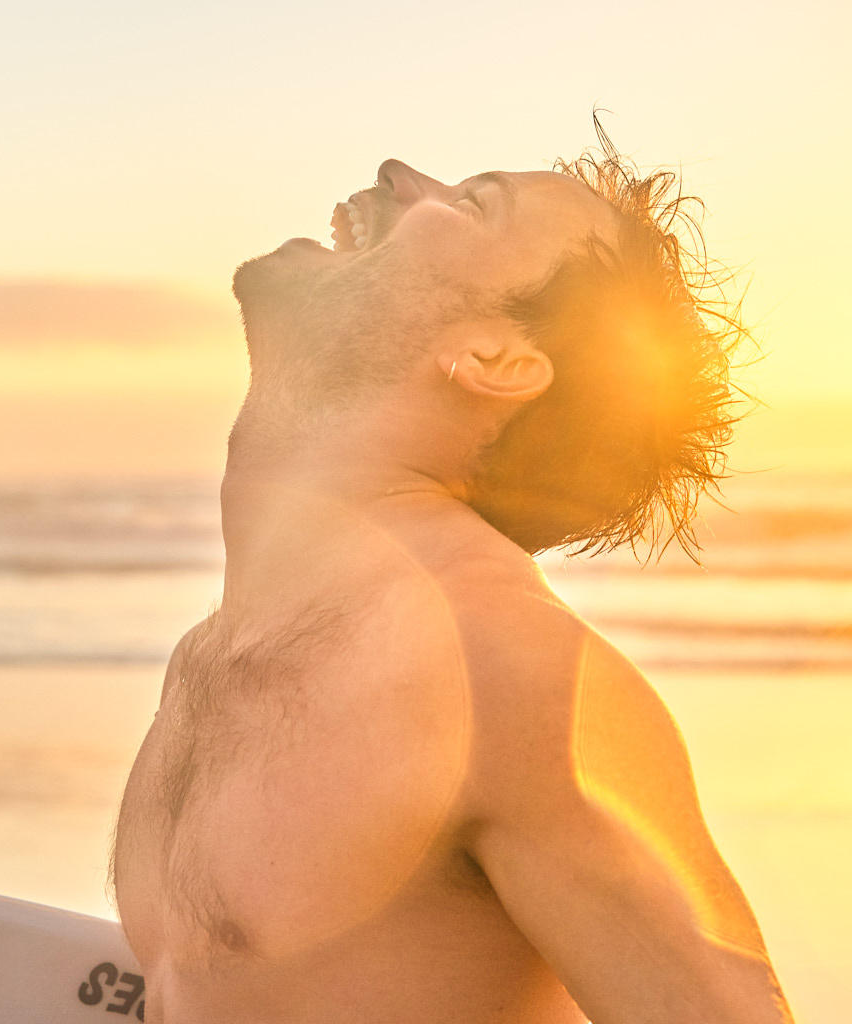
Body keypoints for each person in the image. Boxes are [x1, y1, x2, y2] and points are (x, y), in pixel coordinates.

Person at [110, 126, 795, 1024]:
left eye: (474, 204)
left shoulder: (512, 676)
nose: (398, 173)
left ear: (497, 363)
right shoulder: (212, 654)